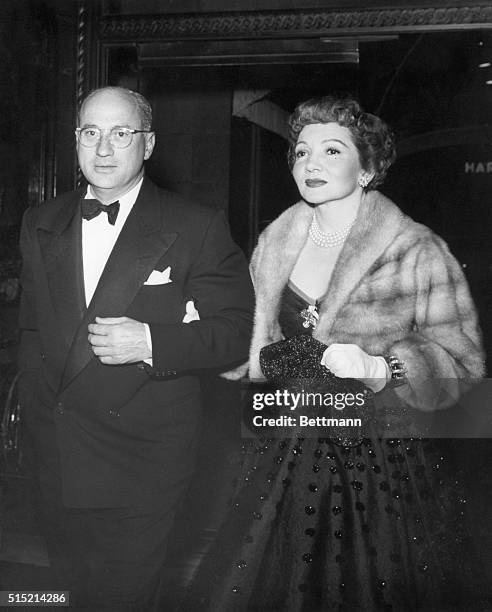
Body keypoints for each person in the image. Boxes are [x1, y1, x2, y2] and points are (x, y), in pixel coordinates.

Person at [182, 96, 486, 611]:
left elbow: (465, 365)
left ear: (367, 169)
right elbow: (264, 351)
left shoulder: (416, 249)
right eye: (301, 152)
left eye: (331, 150)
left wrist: (382, 367)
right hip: (285, 446)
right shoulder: (273, 246)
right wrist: (209, 334)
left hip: (378, 457)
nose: (311, 164)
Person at [17, 86, 254, 609]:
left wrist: (151, 340)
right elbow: (32, 335)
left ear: (147, 145)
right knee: (66, 595)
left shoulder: (195, 223)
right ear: (75, 142)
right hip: (56, 453)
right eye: (90, 133)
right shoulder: (41, 222)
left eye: (121, 133)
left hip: (142, 460)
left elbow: (237, 330)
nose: (104, 149)